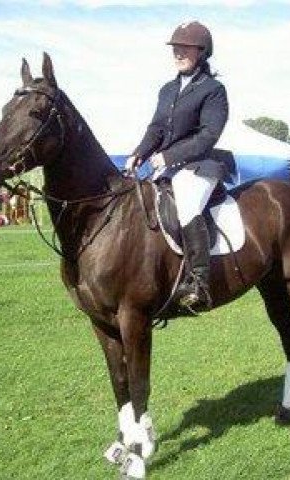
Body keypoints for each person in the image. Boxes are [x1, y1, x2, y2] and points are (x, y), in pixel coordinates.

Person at [126, 21, 229, 310]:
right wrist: (139, 153)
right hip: (167, 167)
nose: (178, 52)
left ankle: (199, 281)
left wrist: (168, 157)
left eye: (185, 48)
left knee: (186, 204)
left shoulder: (213, 89)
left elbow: (209, 134)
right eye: (175, 48)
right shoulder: (167, 89)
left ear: (202, 52)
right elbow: (157, 129)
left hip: (200, 166)